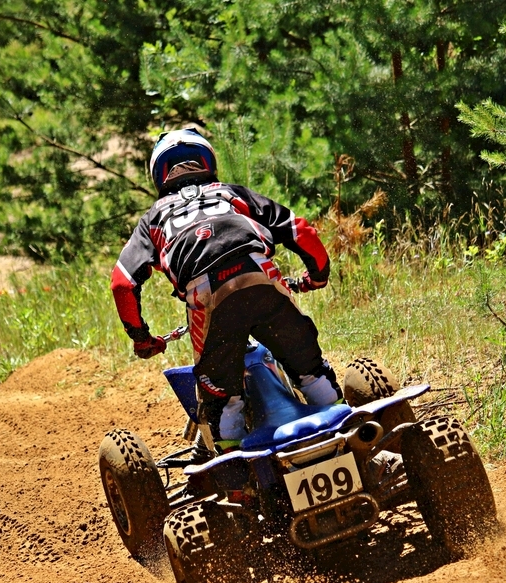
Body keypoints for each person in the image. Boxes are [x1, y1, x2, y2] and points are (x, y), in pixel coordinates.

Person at [110, 128, 342, 452]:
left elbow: (122, 283)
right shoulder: (231, 193)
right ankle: (349, 439)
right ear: (208, 161)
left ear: (158, 175)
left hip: (207, 295)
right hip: (259, 274)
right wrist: (317, 277)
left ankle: (236, 470)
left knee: (222, 398)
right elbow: (299, 230)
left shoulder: (153, 219)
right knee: (311, 369)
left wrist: (142, 338)